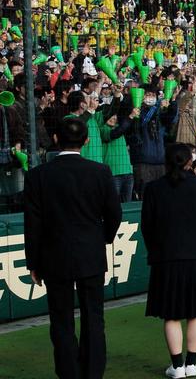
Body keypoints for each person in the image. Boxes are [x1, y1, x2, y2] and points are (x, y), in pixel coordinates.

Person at [23, 117, 122, 379]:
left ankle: (69, 373)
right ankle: (92, 373)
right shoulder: (100, 172)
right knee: (94, 317)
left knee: (61, 319)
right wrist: (103, 239)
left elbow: (32, 223)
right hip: (90, 252)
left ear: (56, 139)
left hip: (54, 256)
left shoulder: (38, 176)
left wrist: (33, 262)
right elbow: (114, 213)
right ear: (87, 140)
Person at [141, 143, 196, 379]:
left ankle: (177, 366)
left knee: (171, 314)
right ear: (189, 161)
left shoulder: (154, 189)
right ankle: (191, 364)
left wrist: (158, 249)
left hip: (166, 257)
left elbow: (147, 226)